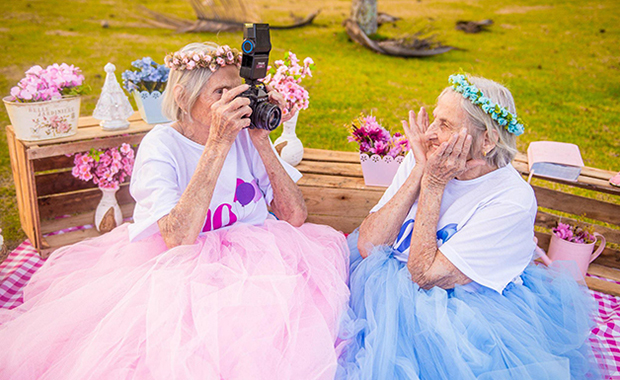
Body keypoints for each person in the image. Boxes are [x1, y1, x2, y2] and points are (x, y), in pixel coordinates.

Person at [0, 43, 351, 379]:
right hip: (182, 265)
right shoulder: (161, 145)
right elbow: (179, 237)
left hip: (261, 262)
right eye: (220, 94)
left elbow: (294, 217)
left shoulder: (247, 135)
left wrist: (261, 142)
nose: (236, 103)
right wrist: (217, 142)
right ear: (183, 98)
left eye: (239, 92)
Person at [338, 74, 602, 379]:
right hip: (382, 282)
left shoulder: (512, 200)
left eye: (446, 125)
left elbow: (424, 276)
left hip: (457, 309)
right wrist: (420, 169)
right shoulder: (430, 157)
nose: (430, 134)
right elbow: (368, 245)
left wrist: (434, 184)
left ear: (487, 141)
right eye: (434, 119)